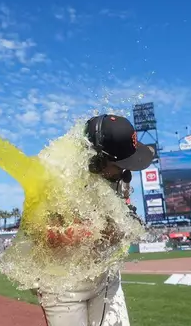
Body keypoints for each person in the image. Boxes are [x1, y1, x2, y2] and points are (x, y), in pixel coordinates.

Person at [38, 114, 154, 326]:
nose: (125, 171)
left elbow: (124, 219)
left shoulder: (117, 177)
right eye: (120, 164)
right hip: (63, 286)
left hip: (105, 276)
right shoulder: (59, 180)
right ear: (98, 160)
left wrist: (121, 229)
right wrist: (88, 233)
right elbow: (40, 236)